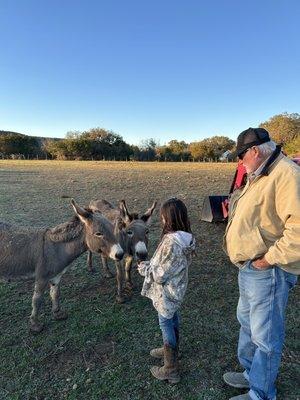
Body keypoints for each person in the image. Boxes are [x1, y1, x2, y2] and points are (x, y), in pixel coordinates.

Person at [223, 127, 300, 400]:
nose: (240, 161)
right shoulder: (261, 172)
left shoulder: (287, 175)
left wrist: (267, 260)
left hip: (268, 270)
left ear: (255, 151)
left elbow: (298, 231)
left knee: (265, 336)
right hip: (250, 267)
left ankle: (262, 393)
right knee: (248, 323)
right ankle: (250, 374)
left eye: (242, 155)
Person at [137, 197, 195, 384]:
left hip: (167, 292)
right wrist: (151, 264)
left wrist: (145, 269)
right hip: (178, 289)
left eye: (163, 217)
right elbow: (171, 265)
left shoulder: (171, 242)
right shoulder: (187, 238)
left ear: (169, 219)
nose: (161, 220)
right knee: (173, 318)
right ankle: (171, 348)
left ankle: (170, 367)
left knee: (165, 323)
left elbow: (161, 273)